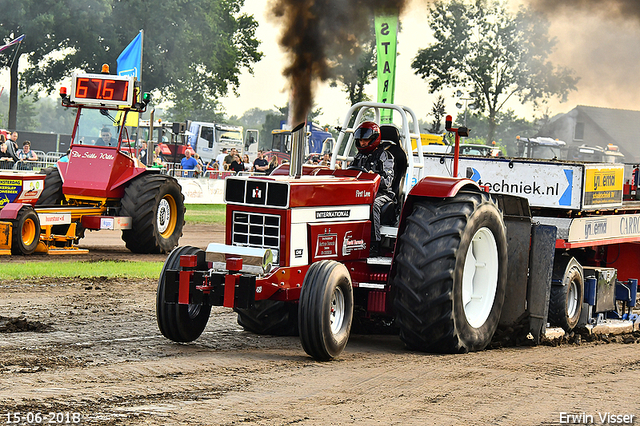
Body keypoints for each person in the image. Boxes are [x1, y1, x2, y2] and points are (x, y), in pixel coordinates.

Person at [351, 121, 395, 257]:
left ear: (374, 139)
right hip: (362, 191)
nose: (362, 143)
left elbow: (388, 181)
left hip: (383, 193)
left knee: (373, 204)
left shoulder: (386, 156)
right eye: (360, 140)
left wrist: (374, 178)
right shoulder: (358, 157)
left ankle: (374, 245)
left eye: (366, 140)